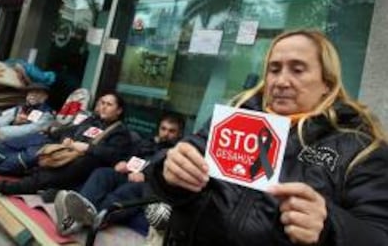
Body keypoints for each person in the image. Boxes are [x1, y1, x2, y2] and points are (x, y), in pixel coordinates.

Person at [148, 29, 388, 246]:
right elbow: (171, 173)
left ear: (327, 82)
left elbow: (379, 233)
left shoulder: (360, 149)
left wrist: (329, 227)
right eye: (274, 69)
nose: (281, 81)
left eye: (297, 69)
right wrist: (168, 171)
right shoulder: (236, 117)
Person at [53, 113, 184, 236]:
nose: (166, 134)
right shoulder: (148, 142)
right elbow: (129, 155)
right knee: (102, 173)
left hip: (149, 185)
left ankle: (94, 218)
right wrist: (123, 162)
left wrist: (146, 177)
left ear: (179, 134)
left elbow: (171, 179)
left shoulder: (179, 153)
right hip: (128, 173)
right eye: (163, 129)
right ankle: (75, 215)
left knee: (130, 189)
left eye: (171, 131)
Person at [0, 92, 135, 195]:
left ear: (119, 110)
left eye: (109, 104)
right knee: (36, 151)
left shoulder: (120, 132)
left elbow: (114, 155)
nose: (103, 107)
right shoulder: (93, 120)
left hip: (86, 163)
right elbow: (70, 130)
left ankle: (21, 186)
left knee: (80, 162)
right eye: (102, 103)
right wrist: (66, 139)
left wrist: (88, 147)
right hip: (68, 152)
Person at [0, 83, 54, 150]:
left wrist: (1, 131)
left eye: (37, 93)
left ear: (45, 97)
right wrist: (13, 121)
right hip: (6, 131)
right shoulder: (21, 107)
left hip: (18, 140)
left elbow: (30, 130)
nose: (32, 95)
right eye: (30, 93)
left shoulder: (46, 114)